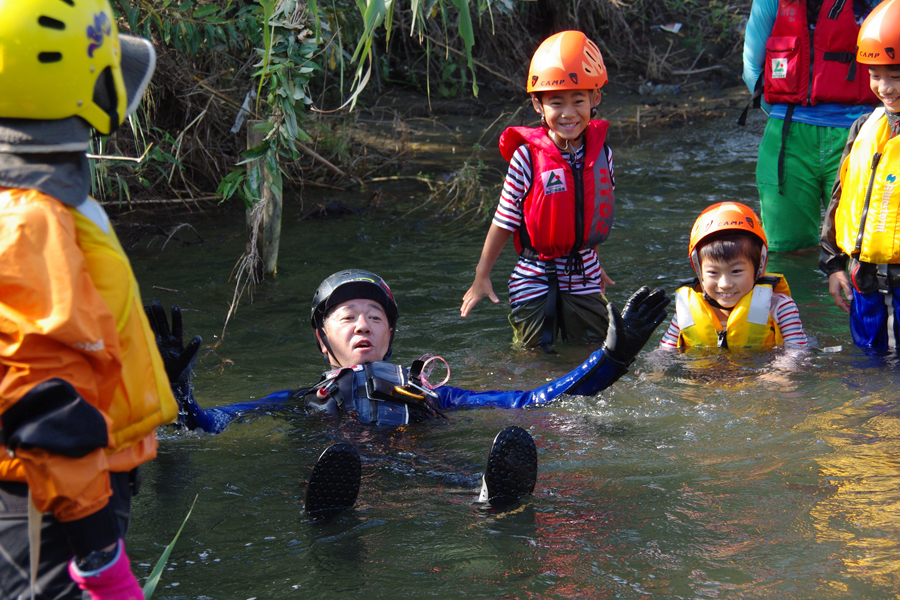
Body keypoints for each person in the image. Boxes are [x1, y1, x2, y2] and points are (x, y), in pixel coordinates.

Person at [150, 270, 670, 517]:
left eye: (375, 318)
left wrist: (613, 355)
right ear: (321, 337)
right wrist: (177, 392)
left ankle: (486, 491)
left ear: (391, 336)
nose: (363, 327)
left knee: (443, 474)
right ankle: (329, 511)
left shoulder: (425, 394)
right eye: (347, 318)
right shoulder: (298, 399)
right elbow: (207, 427)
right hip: (331, 470)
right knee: (336, 467)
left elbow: (534, 400)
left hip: (416, 468)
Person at [0, 2, 182, 599]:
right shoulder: (29, 216)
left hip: (61, 493)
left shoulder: (36, 198)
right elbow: (41, 397)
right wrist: (100, 553)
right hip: (50, 508)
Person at [460, 30, 616, 353]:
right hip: (534, 276)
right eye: (556, 103)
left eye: (578, 101)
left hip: (584, 272)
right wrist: (481, 275)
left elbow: (586, 212)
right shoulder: (527, 158)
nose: (568, 113)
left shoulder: (603, 154)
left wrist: (595, 262)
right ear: (538, 104)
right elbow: (503, 221)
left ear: (595, 99)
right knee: (532, 358)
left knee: (593, 351)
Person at [741, 0, 883, 252]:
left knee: (860, 250)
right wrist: (783, 111)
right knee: (786, 250)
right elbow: (753, 68)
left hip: (862, 134)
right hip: (787, 134)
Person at [819, 0, 900, 350]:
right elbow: (840, 199)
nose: (885, 88)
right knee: (866, 374)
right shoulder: (864, 126)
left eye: (896, 77)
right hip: (864, 280)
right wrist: (834, 264)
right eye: (875, 75)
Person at [659, 202, 809, 349]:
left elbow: (797, 352)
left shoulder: (779, 306)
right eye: (713, 272)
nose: (725, 284)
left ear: (759, 267)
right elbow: (663, 353)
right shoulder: (686, 311)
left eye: (736, 271)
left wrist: (777, 372)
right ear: (699, 270)